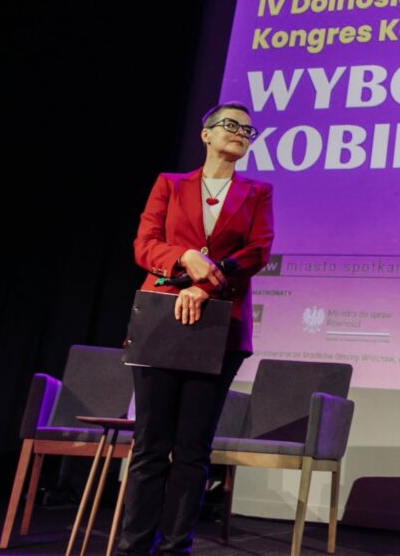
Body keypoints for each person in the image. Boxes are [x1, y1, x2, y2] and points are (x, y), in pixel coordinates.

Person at [117, 103, 275, 556]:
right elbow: (145, 245)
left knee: (192, 448)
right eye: (230, 125)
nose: (240, 133)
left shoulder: (258, 191)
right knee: (150, 445)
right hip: (160, 319)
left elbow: (258, 251)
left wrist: (206, 285)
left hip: (221, 325)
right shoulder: (170, 184)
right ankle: (133, 547)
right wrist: (183, 258)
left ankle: (175, 548)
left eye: (248, 130)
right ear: (205, 134)